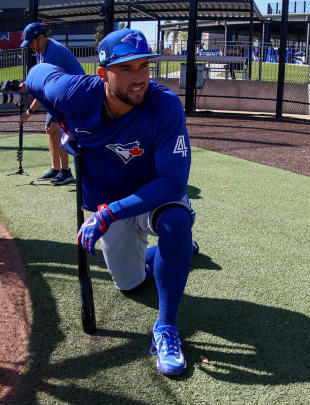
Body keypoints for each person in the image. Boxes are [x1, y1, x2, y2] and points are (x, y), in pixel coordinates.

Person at [24, 29, 197, 376]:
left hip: (150, 197)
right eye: (127, 69)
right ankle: (173, 253)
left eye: (144, 67)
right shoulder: (72, 93)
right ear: (103, 74)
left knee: (176, 224)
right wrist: (63, 121)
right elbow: (33, 77)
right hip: (106, 199)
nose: (139, 78)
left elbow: (173, 182)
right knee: (130, 285)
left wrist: (111, 212)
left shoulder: (164, 105)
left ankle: (165, 327)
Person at [19, 22, 85, 185]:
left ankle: (66, 172)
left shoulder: (53, 52)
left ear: (40, 38)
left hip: (73, 94)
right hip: (60, 93)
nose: (30, 47)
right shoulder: (42, 51)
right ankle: (56, 168)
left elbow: (44, 88)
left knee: (56, 128)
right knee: (49, 128)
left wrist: (29, 111)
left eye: (32, 43)